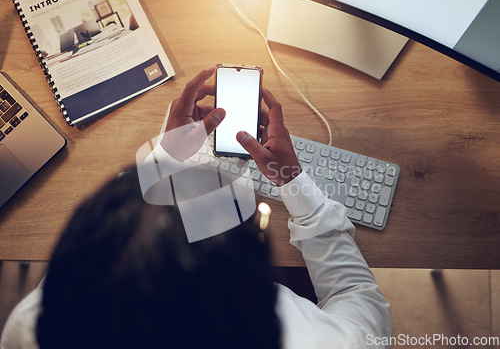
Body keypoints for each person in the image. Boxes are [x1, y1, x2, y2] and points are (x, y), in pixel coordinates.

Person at [0, 66, 391, 349]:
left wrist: (166, 157)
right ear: (250, 285)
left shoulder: (29, 328)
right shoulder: (313, 340)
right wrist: (291, 179)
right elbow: (357, 295)